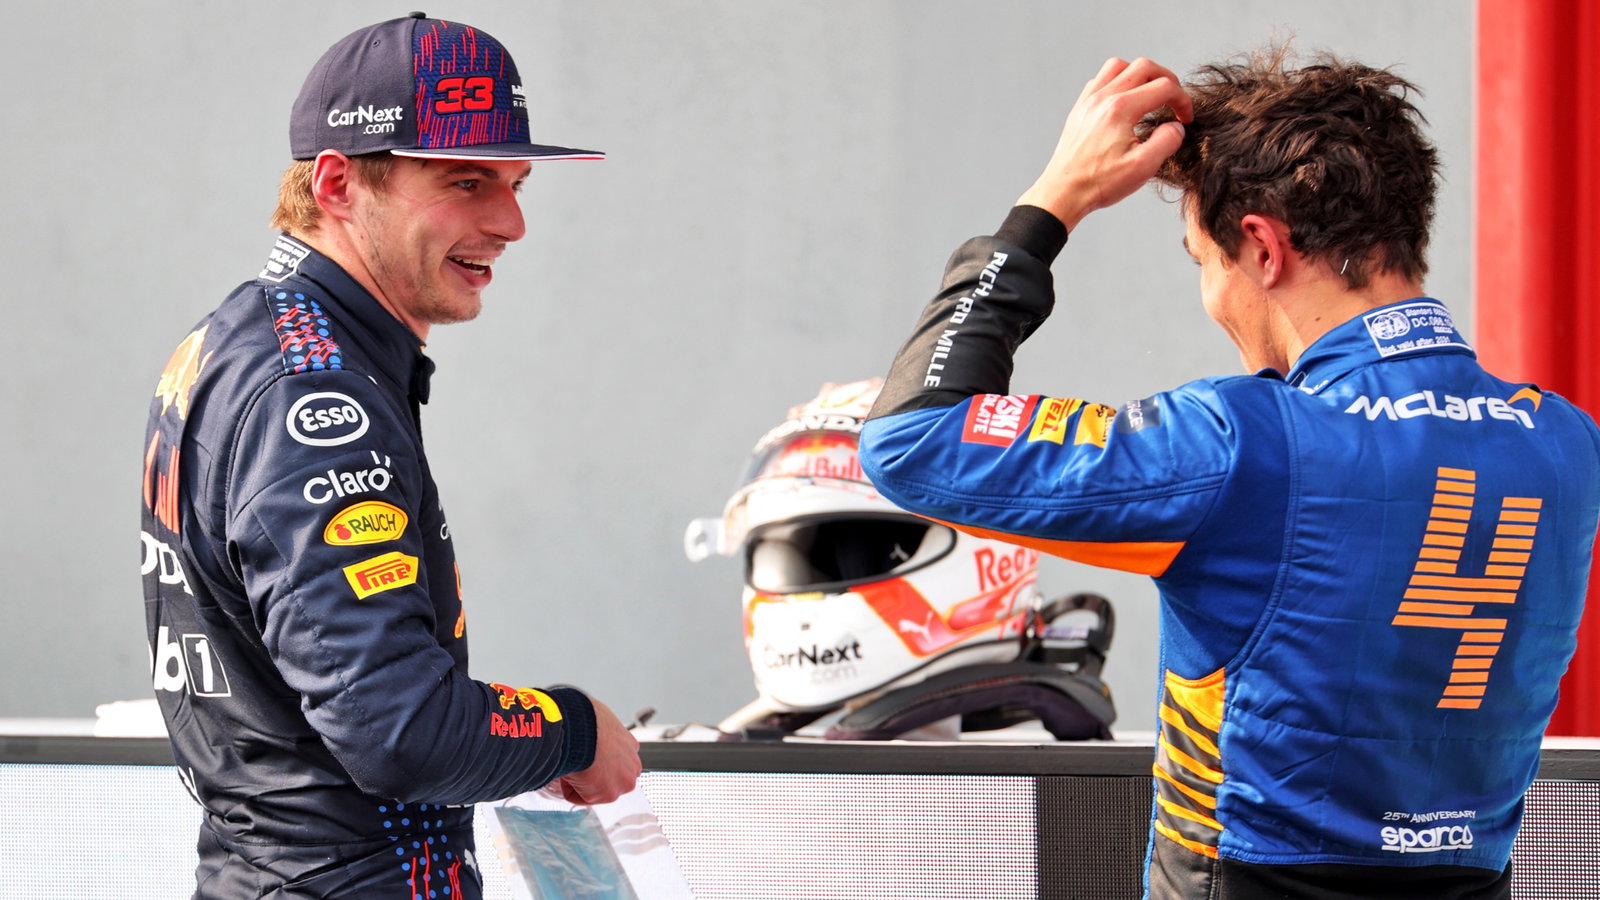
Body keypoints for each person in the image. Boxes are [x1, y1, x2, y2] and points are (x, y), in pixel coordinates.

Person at [857, 50, 1600, 900]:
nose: (1211, 296)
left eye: (1201, 261)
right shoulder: (1563, 442)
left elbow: (915, 441)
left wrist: (1051, 204)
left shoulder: (1243, 442)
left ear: (1262, 245)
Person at [140, 14, 640, 898]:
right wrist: (573, 728)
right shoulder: (311, 395)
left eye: (517, 183)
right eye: (467, 181)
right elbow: (398, 728)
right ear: (337, 183)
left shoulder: (245, 337)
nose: (512, 221)